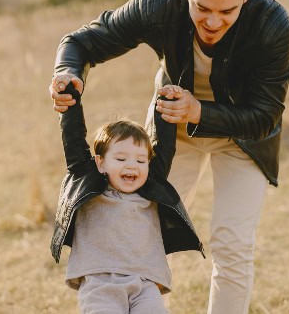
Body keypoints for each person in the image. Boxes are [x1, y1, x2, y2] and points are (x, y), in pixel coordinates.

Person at [48, 0, 289, 312]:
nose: (212, 22)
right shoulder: (158, 4)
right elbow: (81, 42)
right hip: (171, 133)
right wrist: (67, 74)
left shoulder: (273, 24)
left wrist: (199, 112)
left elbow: (265, 116)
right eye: (202, 8)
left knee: (232, 244)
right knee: (147, 234)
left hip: (243, 137)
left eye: (227, 11)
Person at [51, 83, 204, 313]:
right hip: (99, 283)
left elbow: (165, 147)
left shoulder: (151, 190)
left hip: (145, 284)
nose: (132, 165)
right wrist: (70, 99)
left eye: (140, 161)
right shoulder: (91, 187)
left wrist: (167, 102)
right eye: (121, 159)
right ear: (101, 163)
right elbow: (73, 140)